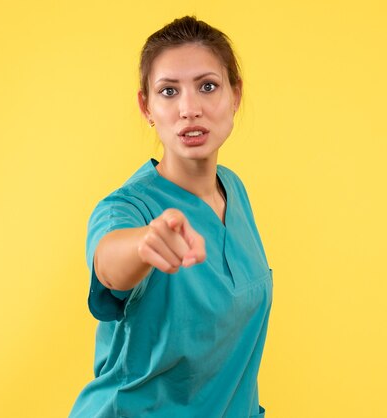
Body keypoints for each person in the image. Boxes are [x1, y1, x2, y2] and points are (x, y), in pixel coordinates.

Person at [69, 16, 272, 418]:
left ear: (235, 94)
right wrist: (145, 244)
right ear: (146, 107)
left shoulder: (233, 189)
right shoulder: (128, 209)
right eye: (168, 91)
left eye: (208, 86)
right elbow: (109, 262)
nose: (189, 109)